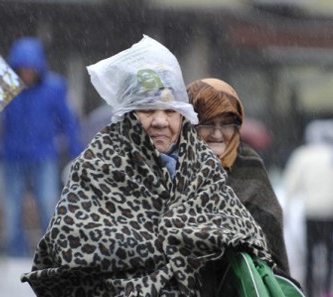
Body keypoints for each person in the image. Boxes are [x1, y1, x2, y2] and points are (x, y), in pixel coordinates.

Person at [21, 35, 273, 296]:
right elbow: (68, 240)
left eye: (170, 111)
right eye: (148, 111)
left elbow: (246, 232)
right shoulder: (97, 163)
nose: (160, 121)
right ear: (129, 115)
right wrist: (176, 243)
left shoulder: (202, 164)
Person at [186, 78, 290, 276]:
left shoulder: (249, 166)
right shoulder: (174, 166)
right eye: (207, 123)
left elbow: (271, 244)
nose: (217, 133)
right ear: (189, 124)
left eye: (226, 124)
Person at [0, 36, 83, 257]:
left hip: (43, 154)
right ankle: (13, 252)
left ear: (39, 67)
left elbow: (68, 121)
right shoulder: (6, 88)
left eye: (31, 68)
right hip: (11, 155)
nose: (26, 73)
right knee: (11, 207)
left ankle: (52, 251)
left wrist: (77, 152)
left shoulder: (55, 87)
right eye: (22, 68)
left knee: (47, 202)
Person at [284, 119, 333, 297]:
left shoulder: (303, 155)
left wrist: (287, 208)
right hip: (330, 212)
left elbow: (291, 184)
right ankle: (327, 289)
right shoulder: (331, 154)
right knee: (329, 256)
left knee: (311, 257)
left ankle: (311, 291)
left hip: (312, 212)